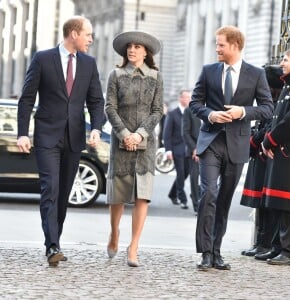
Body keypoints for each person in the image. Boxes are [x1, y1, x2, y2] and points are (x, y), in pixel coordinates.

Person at [17, 16, 105, 266]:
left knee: (64, 192)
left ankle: (55, 240)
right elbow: (26, 98)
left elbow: (96, 100)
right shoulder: (43, 59)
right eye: (88, 34)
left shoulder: (89, 63)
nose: (91, 39)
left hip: (74, 138)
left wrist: (96, 128)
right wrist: (23, 132)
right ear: (74, 34)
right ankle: (52, 245)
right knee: (51, 189)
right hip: (46, 136)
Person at [190, 25, 273, 271]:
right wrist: (211, 115)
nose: (217, 48)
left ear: (235, 46)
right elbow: (195, 103)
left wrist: (244, 112)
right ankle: (205, 251)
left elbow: (268, 108)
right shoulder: (208, 71)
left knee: (224, 199)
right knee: (209, 194)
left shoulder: (256, 74)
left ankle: (216, 251)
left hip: (237, 145)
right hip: (211, 142)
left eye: (221, 44)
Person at [105, 31, 163, 267]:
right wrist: (125, 134)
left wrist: (140, 133)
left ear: (145, 52)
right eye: (130, 46)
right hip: (120, 141)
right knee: (118, 195)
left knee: (143, 196)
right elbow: (110, 107)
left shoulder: (156, 77)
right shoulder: (116, 75)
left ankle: (134, 246)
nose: (132, 50)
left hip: (146, 143)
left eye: (137, 47)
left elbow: (157, 110)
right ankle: (114, 232)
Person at [261, 48, 290, 266]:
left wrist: (269, 140)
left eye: (285, 60)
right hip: (282, 152)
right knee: (279, 203)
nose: (282, 63)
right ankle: (278, 247)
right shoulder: (289, 86)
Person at [240, 65, 283, 258]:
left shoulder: (278, 101)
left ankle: (266, 243)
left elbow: (269, 128)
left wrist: (254, 141)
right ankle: (261, 242)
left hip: (268, 155)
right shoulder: (268, 100)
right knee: (260, 203)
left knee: (269, 204)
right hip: (259, 154)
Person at [163, 90, 190, 208]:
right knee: (180, 174)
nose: (189, 100)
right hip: (177, 149)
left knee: (185, 173)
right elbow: (166, 133)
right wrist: (168, 150)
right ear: (181, 98)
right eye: (187, 97)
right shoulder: (172, 114)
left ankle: (172, 194)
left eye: (190, 97)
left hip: (189, 149)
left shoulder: (191, 113)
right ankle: (182, 198)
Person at [182, 105, 201, 215]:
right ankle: (197, 206)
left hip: (211, 149)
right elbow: (185, 132)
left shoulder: (214, 106)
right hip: (194, 151)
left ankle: (207, 204)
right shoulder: (189, 110)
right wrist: (194, 148)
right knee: (194, 178)